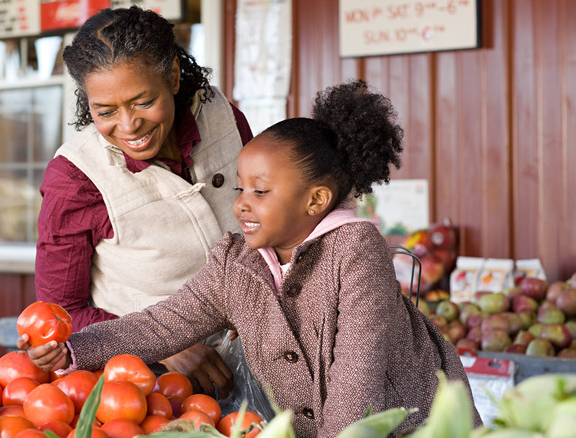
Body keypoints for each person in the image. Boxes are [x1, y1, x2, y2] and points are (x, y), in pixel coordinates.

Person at [24, 79, 482, 437]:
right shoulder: (239, 261)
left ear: (316, 200)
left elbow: (356, 379)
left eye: (260, 192)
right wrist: (74, 350)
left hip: (413, 426)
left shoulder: (357, 253)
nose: (242, 203)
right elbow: (160, 324)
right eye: (241, 188)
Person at [28, 5, 254, 398]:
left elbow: (270, 218)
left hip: (259, 356)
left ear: (172, 75)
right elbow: (60, 315)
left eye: (143, 101)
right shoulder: (75, 178)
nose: (129, 126)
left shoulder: (223, 118)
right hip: (145, 387)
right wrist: (167, 345)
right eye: (105, 111)